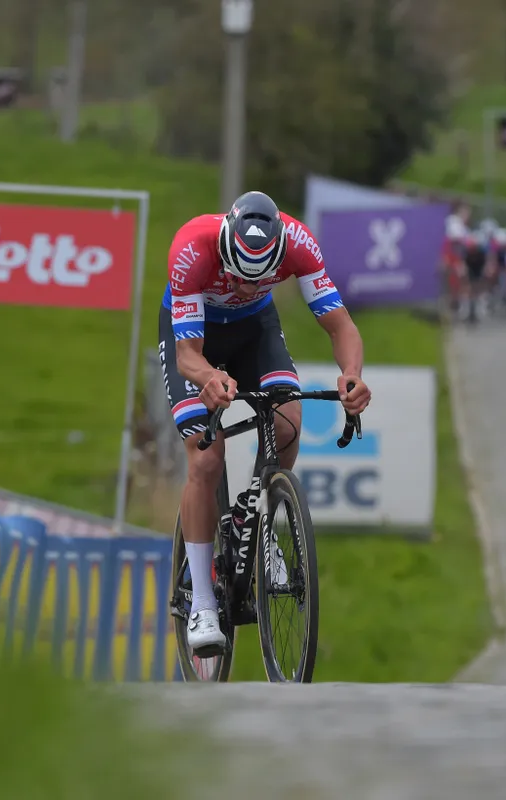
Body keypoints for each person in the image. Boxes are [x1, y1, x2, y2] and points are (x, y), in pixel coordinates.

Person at [159, 191, 371, 657]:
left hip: (256, 330)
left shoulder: (298, 243)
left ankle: (254, 524)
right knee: (206, 454)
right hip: (196, 339)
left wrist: (352, 376)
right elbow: (188, 356)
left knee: (289, 421)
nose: (244, 287)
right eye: (237, 278)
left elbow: (341, 327)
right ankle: (204, 601)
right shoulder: (192, 248)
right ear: (226, 251)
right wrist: (211, 378)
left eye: (258, 281)